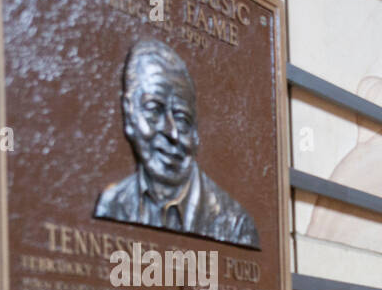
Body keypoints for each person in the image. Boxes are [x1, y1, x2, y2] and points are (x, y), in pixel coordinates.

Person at [95, 38, 260, 249]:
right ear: (129, 114)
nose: (172, 132)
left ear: (196, 132)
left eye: (182, 118)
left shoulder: (235, 225)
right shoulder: (111, 205)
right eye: (154, 110)